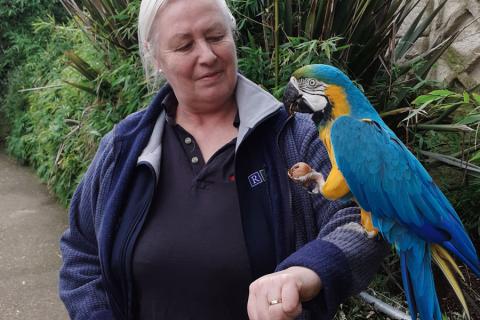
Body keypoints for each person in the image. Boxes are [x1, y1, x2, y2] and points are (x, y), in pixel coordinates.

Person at [58, 0, 388, 319]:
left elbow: (361, 218)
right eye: (184, 46)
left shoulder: (297, 139)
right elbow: (82, 252)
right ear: (155, 56)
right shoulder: (124, 148)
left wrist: (307, 271)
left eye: (216, 37)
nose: (208, 55)